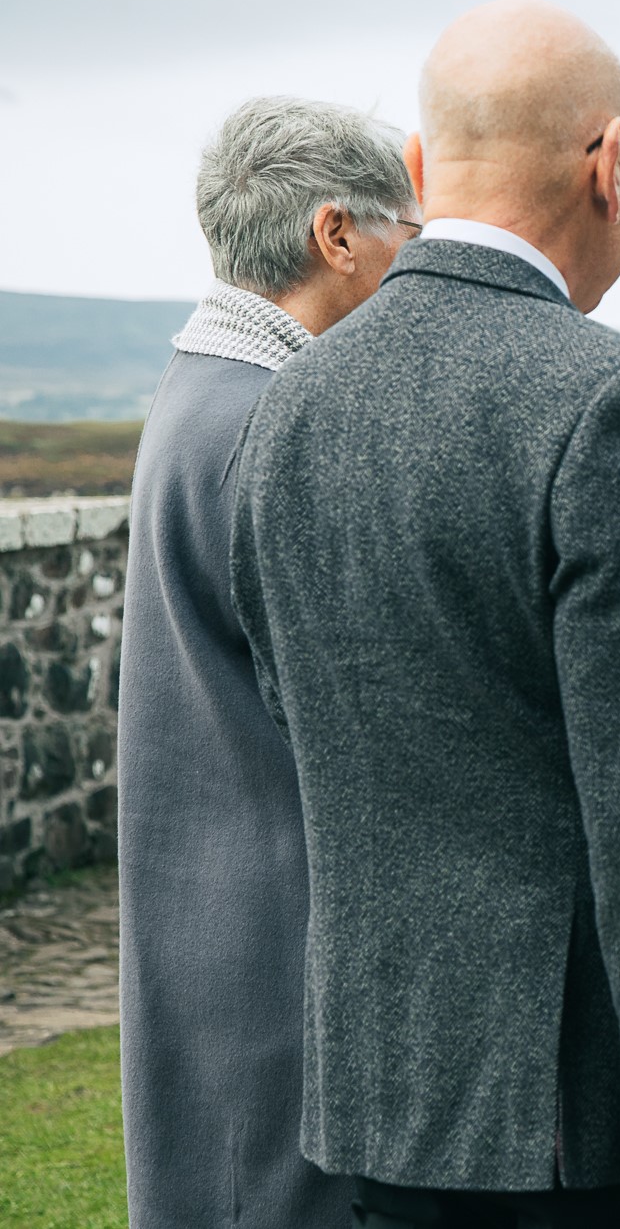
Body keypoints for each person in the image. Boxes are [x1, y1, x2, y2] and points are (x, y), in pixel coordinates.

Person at [228, 0, 620, 1228]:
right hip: (581, 1125)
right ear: (608, 167)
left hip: (382, 1101)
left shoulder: (290, 401)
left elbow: (298, 707)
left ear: (424, 172)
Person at [117, 94, 419, 1229]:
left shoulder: (201, 387)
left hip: (206, 910)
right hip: (279, 942)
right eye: (408, 240)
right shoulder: (272, 424)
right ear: (337, 236)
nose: (414, 271)